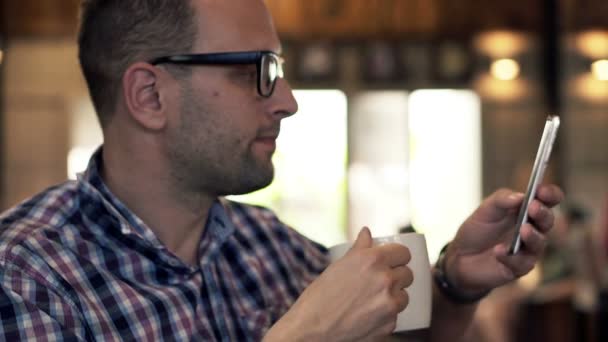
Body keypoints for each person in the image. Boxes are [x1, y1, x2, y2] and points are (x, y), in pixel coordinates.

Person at [0, 0, 563, 341]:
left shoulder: (273, 247)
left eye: (280, 67)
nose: (288, 100)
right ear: (149, 95)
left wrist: (455, 282)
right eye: (257, 70)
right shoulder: (26, 280)